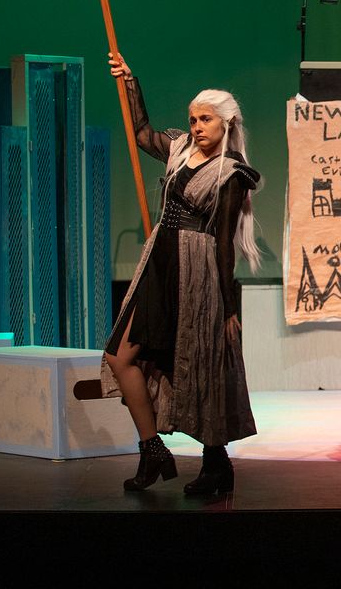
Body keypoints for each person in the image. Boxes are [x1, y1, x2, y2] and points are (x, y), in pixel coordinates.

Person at [101, 52, 261, 494]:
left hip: (196, 269)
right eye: (193, 119)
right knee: (120, 355)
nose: (197, 127)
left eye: (205, 119)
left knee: (201, 362)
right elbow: (141, 132)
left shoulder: (231, 173)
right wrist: (130, 82)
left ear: (226, 122)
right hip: (160, 260)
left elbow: (224, 243)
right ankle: (152, 448)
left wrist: (228, 306)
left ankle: (216, 464)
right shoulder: (179, 149)